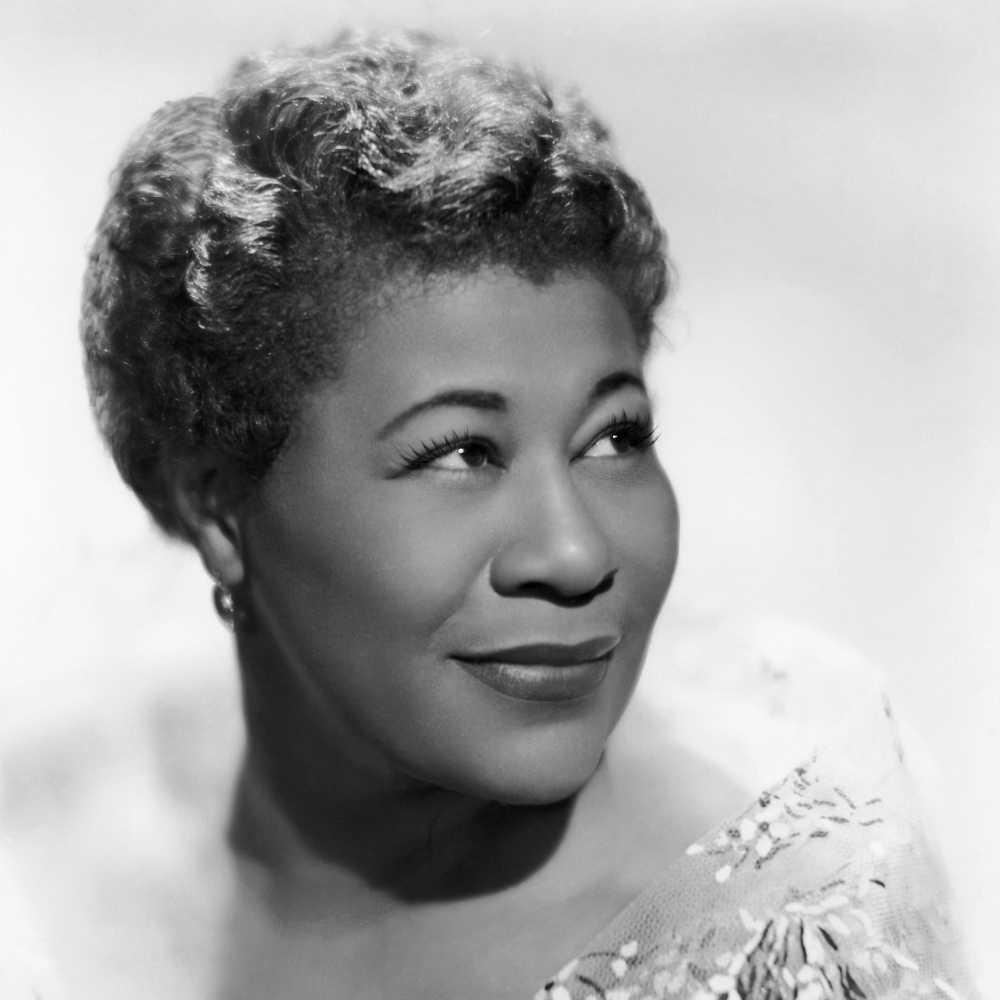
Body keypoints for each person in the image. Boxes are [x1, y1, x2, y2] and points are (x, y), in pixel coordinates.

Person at [75, 29, 976, 1000]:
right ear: (218, 509)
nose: (577, 551)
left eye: (615, 437)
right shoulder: (51, 856)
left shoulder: (788, 942)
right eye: (462, 452)